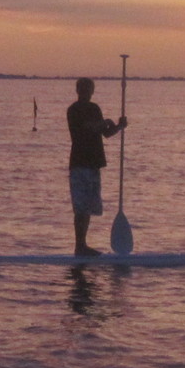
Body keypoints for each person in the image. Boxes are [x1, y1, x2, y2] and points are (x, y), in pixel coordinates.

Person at [66, 77, 125, 256]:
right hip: (79, 163)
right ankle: (80, 245)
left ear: (92, 91)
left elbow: (105, 133)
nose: (86, 92)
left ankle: (83, 245)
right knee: (81, 207)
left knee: (89, 207)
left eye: (89, 89)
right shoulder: (74, 110)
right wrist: (104, 121)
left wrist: (119, 126)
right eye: (83, 89)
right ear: (78, 91)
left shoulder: (94, 108)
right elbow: (86, 128)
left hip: (93, 163)